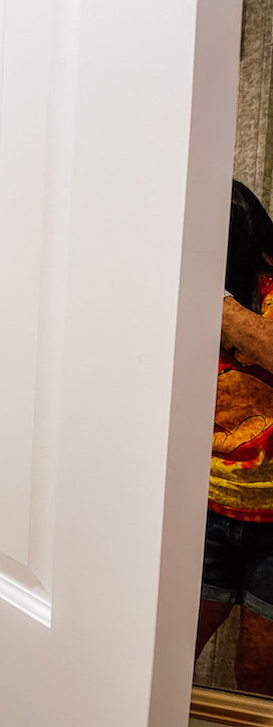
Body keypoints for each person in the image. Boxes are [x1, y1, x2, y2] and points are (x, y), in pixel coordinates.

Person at [196, 180, 273, 695]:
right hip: (205, 512)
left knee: (256, 673)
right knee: (168, 649)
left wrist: (210, 293)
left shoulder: (263, 289)